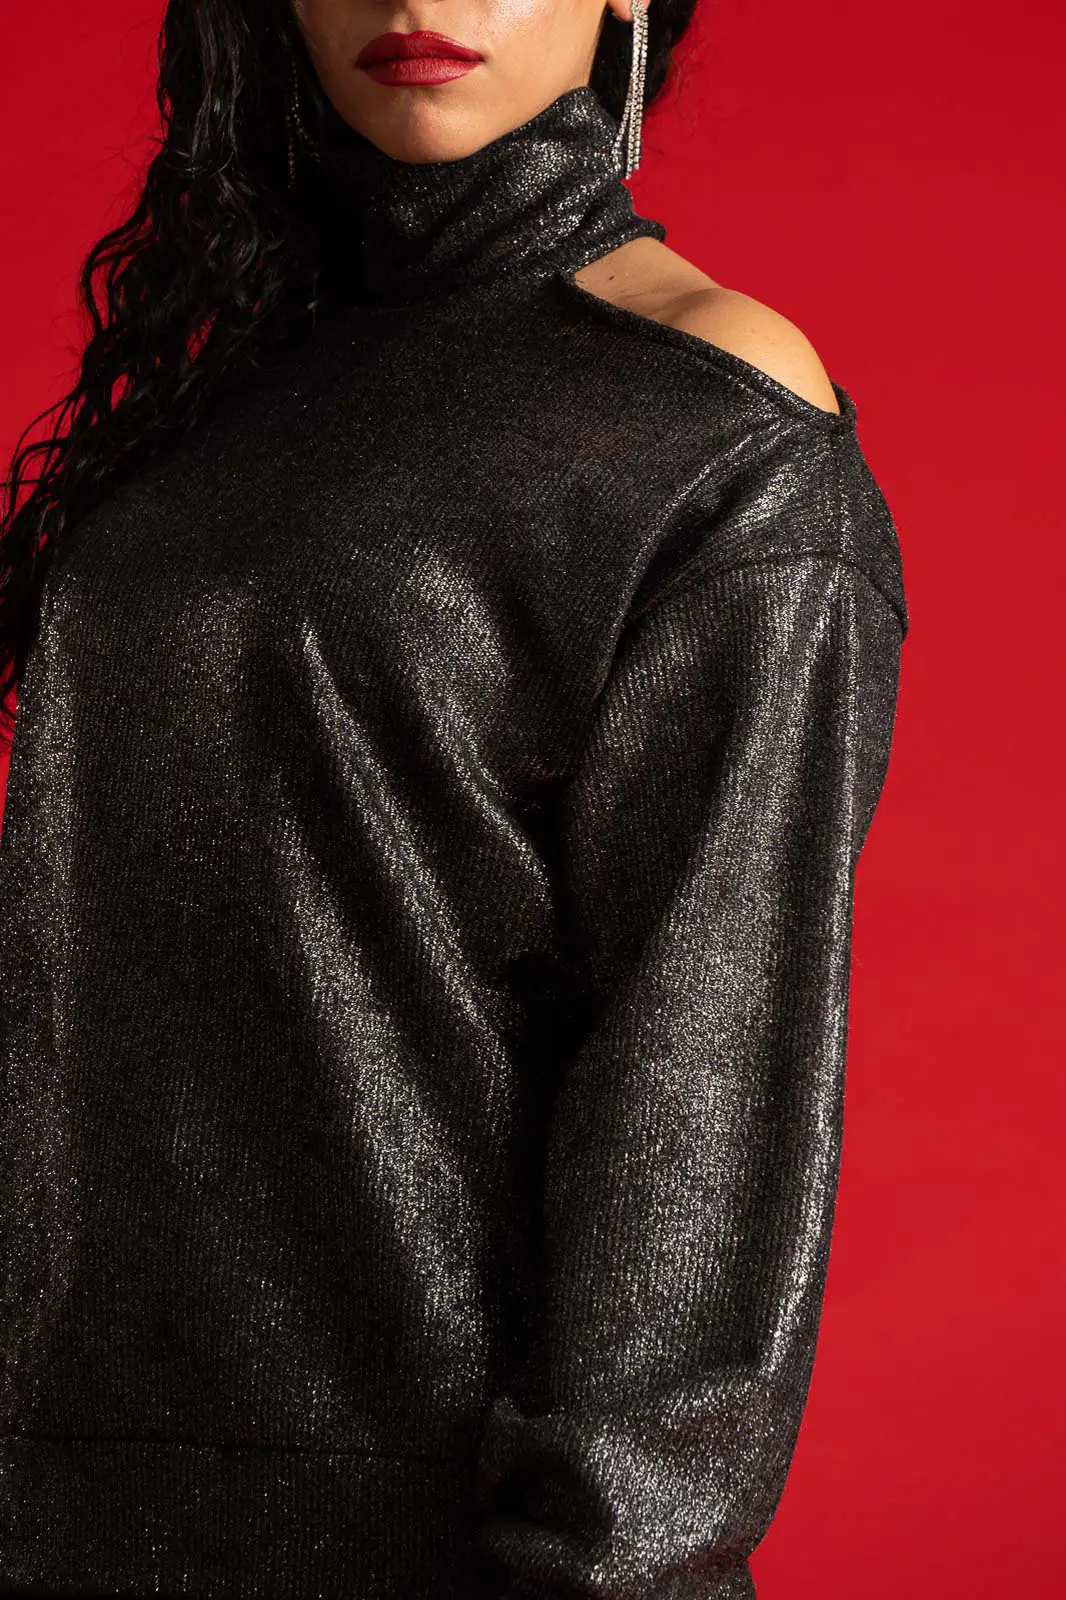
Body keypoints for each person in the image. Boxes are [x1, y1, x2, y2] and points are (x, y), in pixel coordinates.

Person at [0, 0, 909, 1595]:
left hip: (408, 1540)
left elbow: (701, 1079)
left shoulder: (716, 424)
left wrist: (604, 1564)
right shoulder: (227, 368)